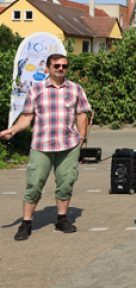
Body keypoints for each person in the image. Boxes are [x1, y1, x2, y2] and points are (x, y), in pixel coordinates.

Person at [2, 53, 91, 241]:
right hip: (41, 145)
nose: (61, 69)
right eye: (57, 66)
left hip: (68, 145)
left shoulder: (75, 89)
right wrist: (13, 130)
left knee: (66, 183)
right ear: (48, 68)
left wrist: (82, 137)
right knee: (34, 184)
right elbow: (27, 116)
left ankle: (62, 219)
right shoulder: (36, 89)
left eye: (64, 66)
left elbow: (81, 114)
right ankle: (26, 223)